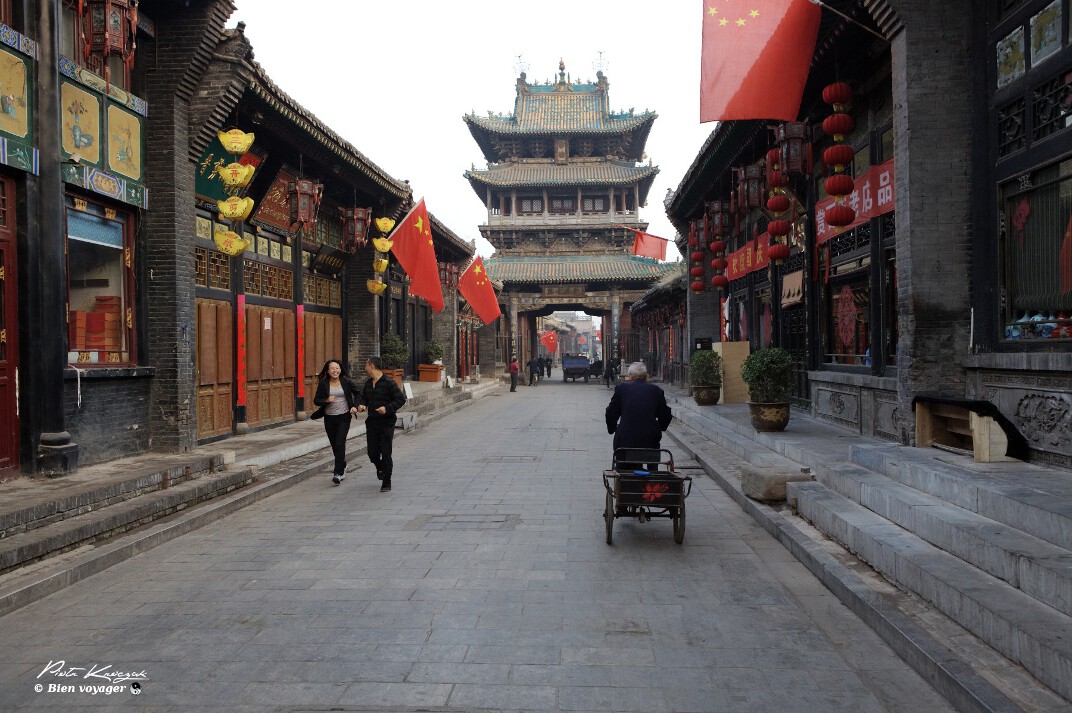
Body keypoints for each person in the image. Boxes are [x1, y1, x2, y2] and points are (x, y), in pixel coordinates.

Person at [605, 361, 672, 470]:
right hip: (650, 441)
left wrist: (612, 429)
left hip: (625, 441)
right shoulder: (657, 391)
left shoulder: (622, 388)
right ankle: (652, 473)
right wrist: (658, 428)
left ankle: (623, 474)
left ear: (630, 376)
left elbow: (611, 412)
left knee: (622, 467)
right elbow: (666, 415)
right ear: (646, 377)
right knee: (652, 465)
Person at [356, 356, 407, 492]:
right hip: (372, 422)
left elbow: (401, 399)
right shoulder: (368, 383)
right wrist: (362, 405)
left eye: (366, 365)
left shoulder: (389, 382)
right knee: (372, 453)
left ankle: (386, 481)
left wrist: (387, 408)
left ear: (372, 366)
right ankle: (380, 467)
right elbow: (364, 398)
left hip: (387, 422)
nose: (365, 368)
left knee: (385, 452)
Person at [312, 359, 359, 485]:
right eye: (332, 368)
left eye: (337, 368)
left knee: (339, 443)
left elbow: (358, 393)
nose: (335, 371)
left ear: (340, 369)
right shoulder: (323, 384)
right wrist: (326, 400)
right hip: (329, 418)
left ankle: (338, 473)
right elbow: (316, 400)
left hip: (344, 417)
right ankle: (342, 464)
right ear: (328, 371)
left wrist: (355, 406)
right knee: (334, 445)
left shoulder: (346, 381)